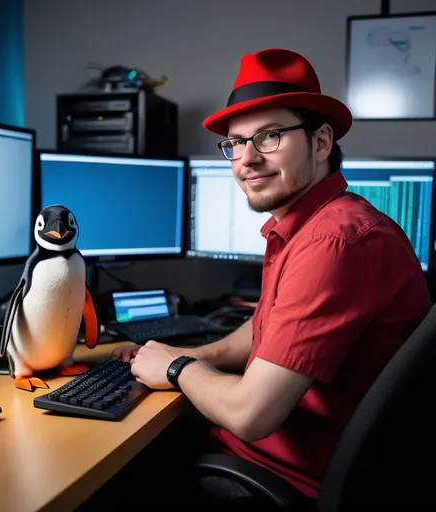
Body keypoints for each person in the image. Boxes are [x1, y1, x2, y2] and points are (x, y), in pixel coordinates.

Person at [110, 48, 433, 502]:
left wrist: (178, 367)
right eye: (235, 143)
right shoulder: (313, 224)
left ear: (321, 143)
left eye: (270, 136)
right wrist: (186, 351)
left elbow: (250, 414)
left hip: (279, 480)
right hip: (271, 458)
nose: (246, 159)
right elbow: (268, 326)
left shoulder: (333, 242)